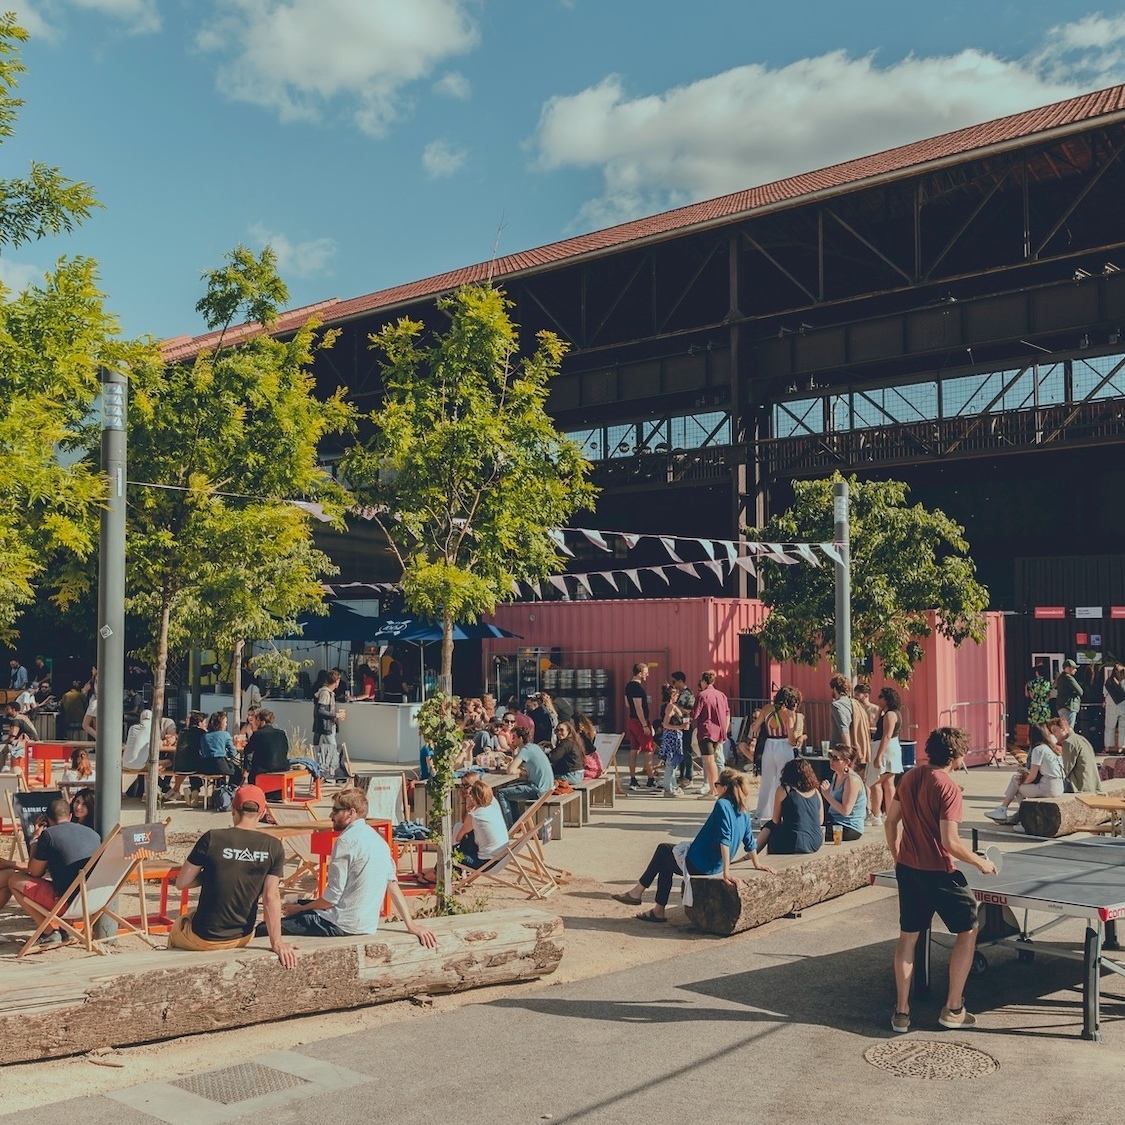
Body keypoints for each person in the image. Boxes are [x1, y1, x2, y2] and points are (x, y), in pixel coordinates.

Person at [885, 726, 997, 1033]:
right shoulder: (949, 788)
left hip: (908, 870)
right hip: (940, 874)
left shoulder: (908, 778)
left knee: (908, 938)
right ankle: (953, 1008)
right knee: (969, 930)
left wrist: (897, 856)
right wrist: (980, 862)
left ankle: (901, 1012)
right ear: (956, 755)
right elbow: (950, 842)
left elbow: (890, 822)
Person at [270, 787, 437, 945]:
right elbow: (392, 885)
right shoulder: (379, 841)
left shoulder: (345, 841)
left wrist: (300, 910)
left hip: (341, 924)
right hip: (366, 924)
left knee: (268, 928)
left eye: (335, 810)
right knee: (302, 904)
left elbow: (332, 898)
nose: (331, 815)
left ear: (351, 813)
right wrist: (411, 925)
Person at [611, 768, 773, 922]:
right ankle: (655, 908)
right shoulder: (743, 808)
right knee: (665, 858)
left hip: (702, 863)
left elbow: (724, 840)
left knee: (663, 851)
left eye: (716, 784)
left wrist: (727, 872)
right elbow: (749, 840)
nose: (715, 787)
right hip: (713, 863)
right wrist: (756, 863)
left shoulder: (722, 805)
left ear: (724, 787)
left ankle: (640, 895)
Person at [169, 784, 297, 966]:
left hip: (204, 938)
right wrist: (277, 942)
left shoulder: (212, 838)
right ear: (262, 813)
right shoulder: (273, 846)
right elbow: (271, 897)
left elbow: (182, 883)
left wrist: (211, 874)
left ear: (232, 809)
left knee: (180, 925)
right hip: (242, 935)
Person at [0, 797, 100, 935]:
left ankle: (48, 932)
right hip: (93, 901)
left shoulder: (49, 835)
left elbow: (35, 872)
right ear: (70, 816)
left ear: (47, 819)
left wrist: (35, 840)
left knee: (14, 880)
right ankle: (64, 929)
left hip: (67, 904)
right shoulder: (93, 834)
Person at [986, 723, 1065, 823]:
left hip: (1048, 787)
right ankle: (1007, 811)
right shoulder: (1052, 749)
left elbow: (1032, 776)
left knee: (1017, 787)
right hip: (1058, 785)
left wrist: (1023, 782)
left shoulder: (1038, 749)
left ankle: (1021, 817)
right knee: (1016, 780)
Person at [751, 686, 800, 823]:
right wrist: (799, 739)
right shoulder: (789, 714)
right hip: (784, 746)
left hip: (769, 745)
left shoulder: (767, 709)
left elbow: (754, 727)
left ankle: (759, 814)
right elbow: (791, 740)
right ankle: (778, 813)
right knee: (782, 781)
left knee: (766, 781)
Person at [756, 758, 823, 855]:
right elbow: (820, 821)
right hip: (815, 841)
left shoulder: (784, 790)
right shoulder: (816, 792)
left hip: (794, 841)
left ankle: (753, 853)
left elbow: (776, 820)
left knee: (770, 826)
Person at [497, 726, 554, 828]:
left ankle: (509, 827)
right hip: (547, 787)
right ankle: (516, 825)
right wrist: (514, 753)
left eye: (514, 737)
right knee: (510, 791)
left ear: (520, 739)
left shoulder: (525, 750)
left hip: (538, 789)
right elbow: (518, 766)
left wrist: (520, 771)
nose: (512, 740)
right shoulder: (533, 747)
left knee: (501, 793)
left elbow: (510, 770)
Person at [452, 778, 510, 868]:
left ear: (473, 797)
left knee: (450, 854)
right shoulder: (494, 809)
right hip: (502, 857)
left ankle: (436, 873)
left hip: (484, 863)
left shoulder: (474, 816)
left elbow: (458, 838)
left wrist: (469, 810)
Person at [868, 686, 904, 827]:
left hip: (884, 748)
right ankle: (890, 813)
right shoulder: (894, 713)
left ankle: (876, 814)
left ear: (887, 699)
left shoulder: (890, 715)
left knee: (876, 781)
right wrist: (879, 711)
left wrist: (878, 755)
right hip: (892, 747)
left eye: (880, 697)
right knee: (888, 782)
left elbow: (886, 735)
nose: (878, 700)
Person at [691, 670, 730, 798]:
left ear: (704, 681)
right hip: (719, 731)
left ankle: (713, 790)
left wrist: (685, 712)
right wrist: (725, 729)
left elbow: (694, 714)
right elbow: (727, 713)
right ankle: (717, 789)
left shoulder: (702, 695)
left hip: (706, 731)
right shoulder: (721, 695)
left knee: (709, 761)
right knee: (716, 760)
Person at [820, 744, 867, 841]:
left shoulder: (851, 780)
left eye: (835, 758)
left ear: (847, 762)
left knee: (813, 834)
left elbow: (845, 811)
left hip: (849, 826)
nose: (831, 760)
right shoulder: (836, 775)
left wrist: (827, 795)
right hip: (834, 821)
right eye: (830, 756)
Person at [1047, 716, 1102, 794]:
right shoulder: (1081, 739)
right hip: (1092, 783)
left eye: (1054, 731)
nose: (1053, 734)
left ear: (1063, 728)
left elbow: (1064, 770)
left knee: (1047, 785)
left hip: (1079, 786)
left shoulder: (1068, 743)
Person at [624, 662, 656, 791]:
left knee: (634, 749)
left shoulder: (628, 685)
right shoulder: (637, 687)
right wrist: (644, 725)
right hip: (639, 722)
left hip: (631, 721)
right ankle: (650, 780)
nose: (647, 674)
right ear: (639, 673)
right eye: (646, 672)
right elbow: (638, 707)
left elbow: (628, 704)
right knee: (648, 750)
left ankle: (633, 779)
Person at [313, 669, 346, 780]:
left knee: (326, 752)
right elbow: (321, 710)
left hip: (329, 726)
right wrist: (336, 715)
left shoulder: (328, 693)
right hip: (326, 726)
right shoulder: (325, 693)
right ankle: (339, 775)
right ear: (336, 681)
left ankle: (323, 775)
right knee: (334, 750)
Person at [244, 708, 291, 786]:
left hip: (264, 769)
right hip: (282, 766)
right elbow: (285, 749)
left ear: (263, 722)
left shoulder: (257, 734)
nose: (256, 723)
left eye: (257, 721)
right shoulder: (281, 733)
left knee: (251, 772)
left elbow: (247, 750)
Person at [657, 687, 687, 797]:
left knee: (673, 764)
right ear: (672, 696)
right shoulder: (670, 707)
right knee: (670, 764)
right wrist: (680, 726)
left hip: (675, 736)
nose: (677, 697)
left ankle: (673, 786)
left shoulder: (672, 706)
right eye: (676, 695)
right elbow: (665, 724)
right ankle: (667, 789)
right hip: (672, 737)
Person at [669, 671, 697, 788]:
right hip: (677, 726)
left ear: (680, 681)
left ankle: (688, 777)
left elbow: (690, 711)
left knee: (686, 752)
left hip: (685, 725)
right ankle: (682, 776)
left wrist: (676, 707)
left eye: (674, 682)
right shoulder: (677, 693)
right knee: (680, 751)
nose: (673, 684)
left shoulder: (688, 693)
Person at [201, 709, 239, 778]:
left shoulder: (204, 736)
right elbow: (233, 752)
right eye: (225, 722)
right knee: (237, 771)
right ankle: (231, 785)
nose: (226, 724)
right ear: (220, 723)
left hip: (206, 766)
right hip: (220, 765)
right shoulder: (225, 734)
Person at [548, 720, 585, 784]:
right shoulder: (573, 741)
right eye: (557, 730)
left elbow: (552, 757)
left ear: (568, 731)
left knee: (545, 778)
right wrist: (554, 748)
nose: (559, 733)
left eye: (561, 730)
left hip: (571, 775)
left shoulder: (565, 743)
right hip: (579, 774)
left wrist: (541, 754)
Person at [1055, 659, 1084, 727]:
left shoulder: (1060, 678)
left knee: (1064, 728)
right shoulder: (1068, 678)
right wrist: (1074, 692)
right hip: (1069, 706)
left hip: (1061, 706)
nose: (1075, 670)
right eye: (1073, 668)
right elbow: (1080, 691)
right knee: (1069, 729)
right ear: (1067, 668)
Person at [1104, 664, 1125, 754]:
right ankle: (1121, 747)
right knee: (1123, 727)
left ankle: (1108, 747)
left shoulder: (1109, 682)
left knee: (1109, 727)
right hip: (1123, 706)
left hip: (1111, 706)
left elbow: (1105, 693)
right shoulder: (1123, 681)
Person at [1025, 663, 1053, 727]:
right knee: (1045, 726)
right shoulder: (1048, 683)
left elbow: (1028, 695)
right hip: (1045, 707)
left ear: (1037, 673)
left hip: (1034, 707)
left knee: (1034, 726)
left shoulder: (1031, 683)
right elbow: (1050, 695)